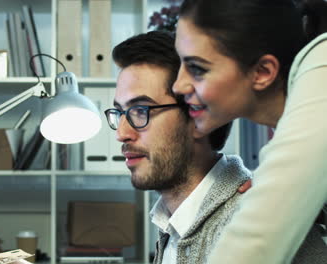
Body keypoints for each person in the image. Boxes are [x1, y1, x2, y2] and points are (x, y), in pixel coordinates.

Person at [106, 31, 325, 264]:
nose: (121, 134)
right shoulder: (172, 226)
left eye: (141, 111)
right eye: (119, 112)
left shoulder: (255, 222)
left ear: (198, 116)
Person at [171, 0, 327, 263]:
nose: (178, 85)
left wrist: (279, 194)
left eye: (197, 69)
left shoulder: (321, 66)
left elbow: (253, 246)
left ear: (263, 72)